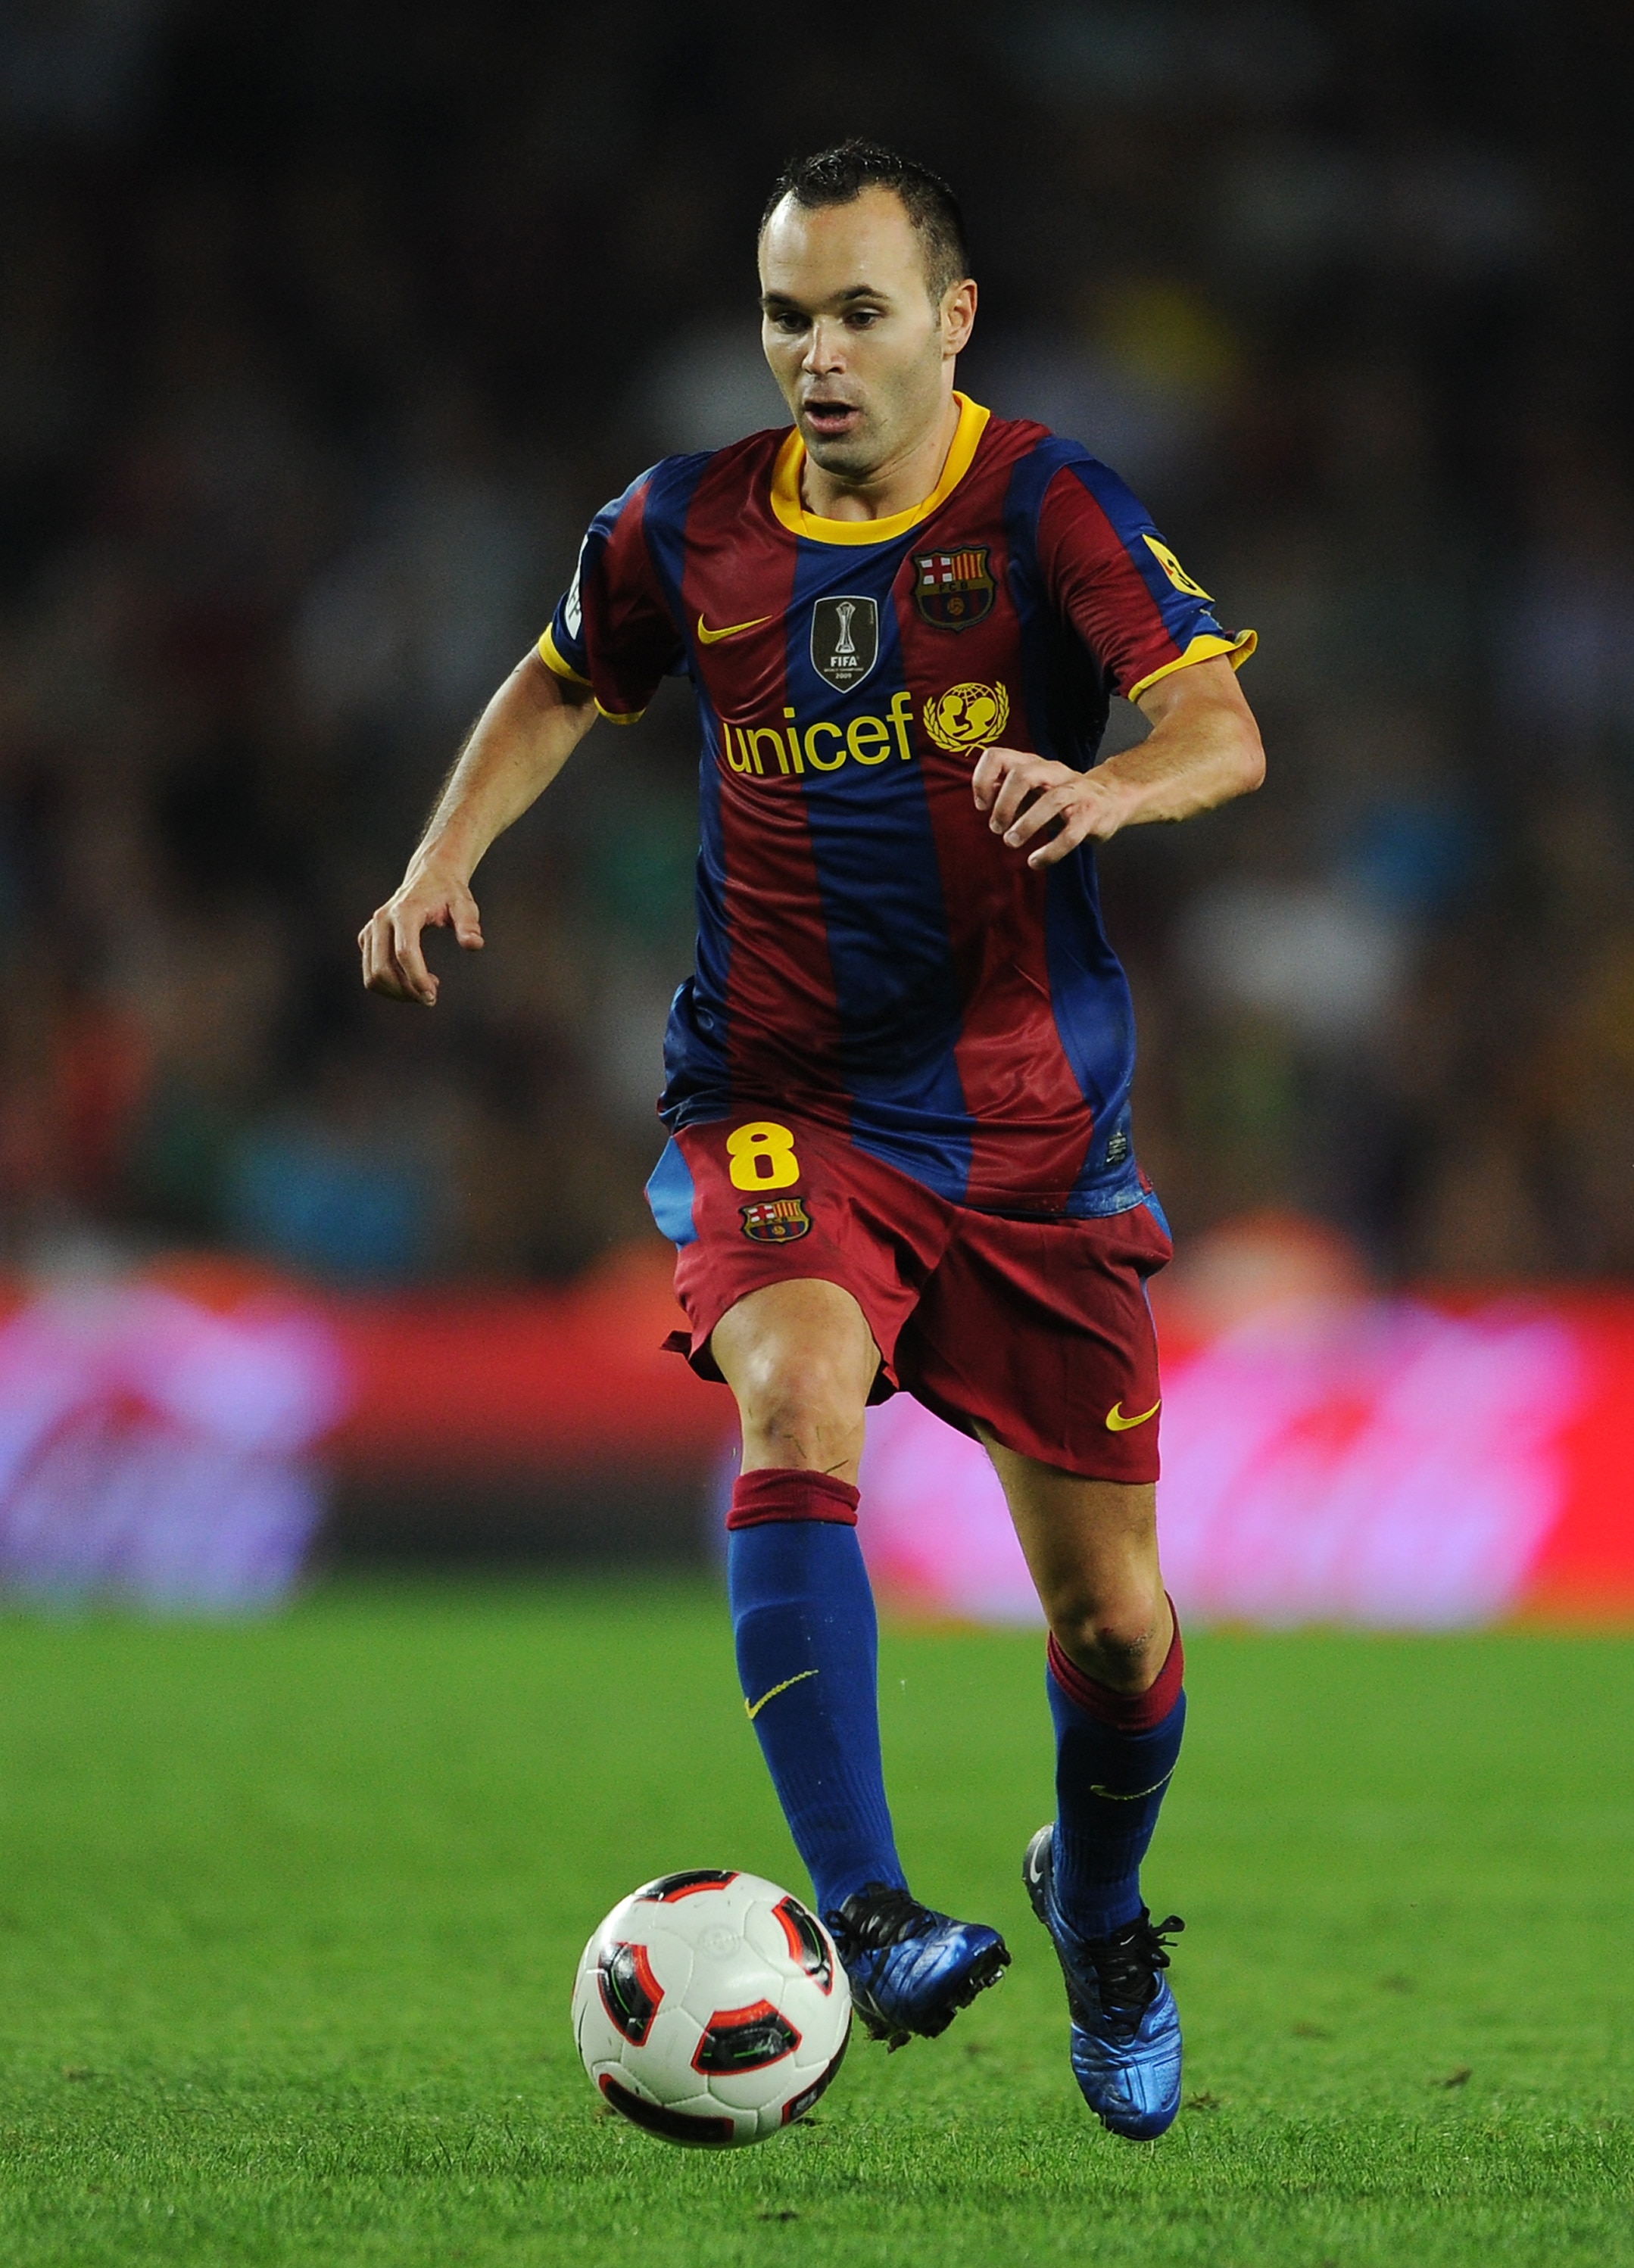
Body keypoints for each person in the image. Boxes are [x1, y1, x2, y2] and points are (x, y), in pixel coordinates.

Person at [360, 139, 1263, 2141]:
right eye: (788, 318)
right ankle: (864, 1907)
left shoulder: (1047, 504)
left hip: (1032, 1130)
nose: (820, 357)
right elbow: (556, 681)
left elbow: (1219, 725)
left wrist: (1114, 793)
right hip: (778, 1100)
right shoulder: (680, 524)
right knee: (792, 1399)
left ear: (950, 320)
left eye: (861, 313)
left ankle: (1097, 1907)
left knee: (1113, 1627)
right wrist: (438, 862)